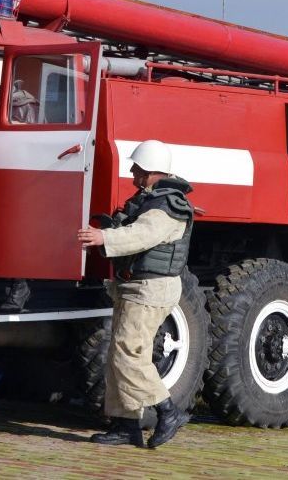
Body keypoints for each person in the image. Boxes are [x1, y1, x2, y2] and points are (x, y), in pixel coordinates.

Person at [77, 140, 195, 449]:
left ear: (151, 170)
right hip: (136, 287)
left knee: (128, 353)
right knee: (121, 355)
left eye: (137, 168)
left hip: (149, 290)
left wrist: (104, 236)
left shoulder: (166, 205)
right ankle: (125, 424)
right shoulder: (151, 200)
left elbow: (142, 235)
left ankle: (167, 411)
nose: (132, 172)